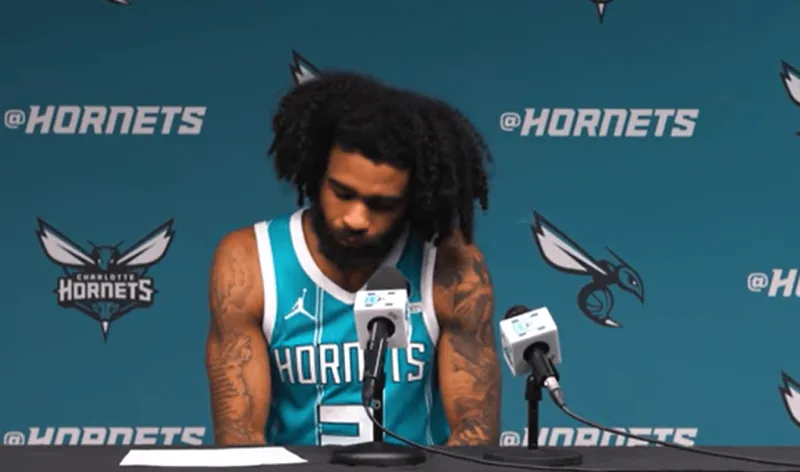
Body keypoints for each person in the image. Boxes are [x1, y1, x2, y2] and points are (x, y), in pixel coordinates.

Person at [204, 70, 500, 447]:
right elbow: (241, 440)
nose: (356, 219)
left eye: (382, 204)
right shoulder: (249, 261)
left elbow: (475, 436)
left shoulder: (450, 266)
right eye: (343, 193)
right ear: (316, 173)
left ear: (414, 200)